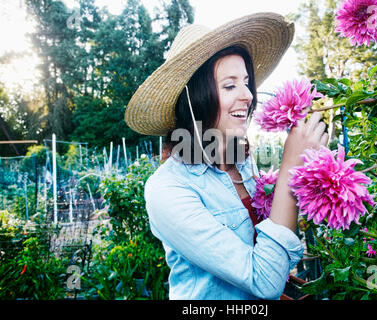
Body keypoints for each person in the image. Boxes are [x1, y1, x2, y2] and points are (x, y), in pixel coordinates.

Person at [125, 12, 328, 300]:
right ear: (196, 99)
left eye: (246, 81)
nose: (248, 94)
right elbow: (263, 280)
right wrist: (290, 168)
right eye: (230, 85)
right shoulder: (168, 189)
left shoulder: (241, 162)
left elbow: (271, 250)